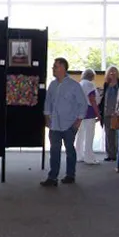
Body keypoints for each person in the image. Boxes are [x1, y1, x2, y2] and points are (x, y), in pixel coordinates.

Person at [41, 58, 88, 187]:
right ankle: (52, 177)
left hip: (69, 124)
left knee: (69, 150)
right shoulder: (52, 85)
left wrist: (78, 120)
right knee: (54, 151)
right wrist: (46, 117)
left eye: (55, 66)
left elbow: (82, 104)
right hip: (54, 124)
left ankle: (70, 175)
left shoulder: (74, 85)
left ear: (62, 68)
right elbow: (48, 102)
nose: (53, 69)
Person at [75, 69, 101, 165]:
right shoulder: (90, 85)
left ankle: (79, 155)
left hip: (79, 112)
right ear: (92, 76)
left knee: (80, 135)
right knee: (89, 135)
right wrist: (98, 113)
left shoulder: (79, 84)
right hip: (89, 112)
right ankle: (89, 157)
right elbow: (92, 99)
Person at [99, 66, 119, 161]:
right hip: (107, 113)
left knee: (117, 135)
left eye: (114, 72)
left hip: (117, 113)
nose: (112, 73)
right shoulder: (106, 84)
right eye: (110, 72)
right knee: (108, 134)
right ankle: (110, 155)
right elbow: (104, 98)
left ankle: (118, 154)